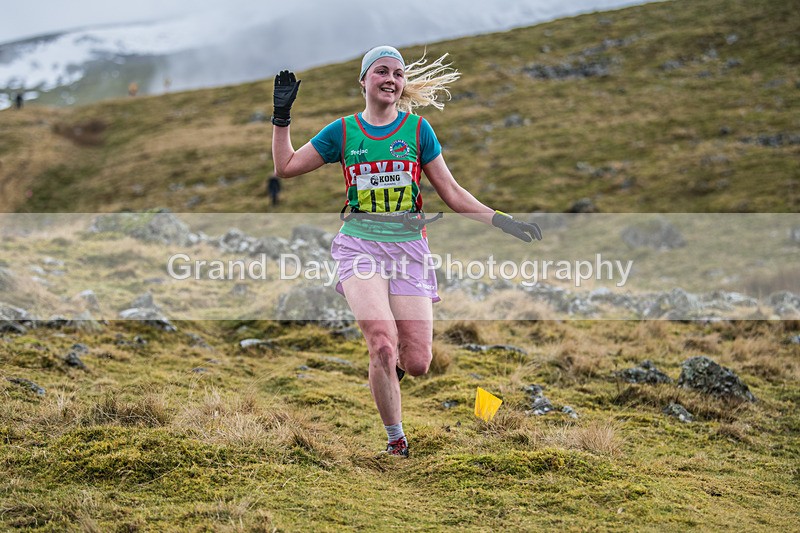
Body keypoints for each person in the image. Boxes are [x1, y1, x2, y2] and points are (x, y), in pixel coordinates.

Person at [271, 45, 541, 458]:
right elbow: (286, 167)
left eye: (398, 73)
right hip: (359, 243)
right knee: (381, 341)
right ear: (364, 81)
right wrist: (282, 118)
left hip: (409, 248)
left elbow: (451, 192)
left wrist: (502, 219)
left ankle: (388, 372)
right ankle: (396, 440)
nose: (391, 79)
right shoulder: (342, 132)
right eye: (381, 71)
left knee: (416, 361)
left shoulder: (418, 131)